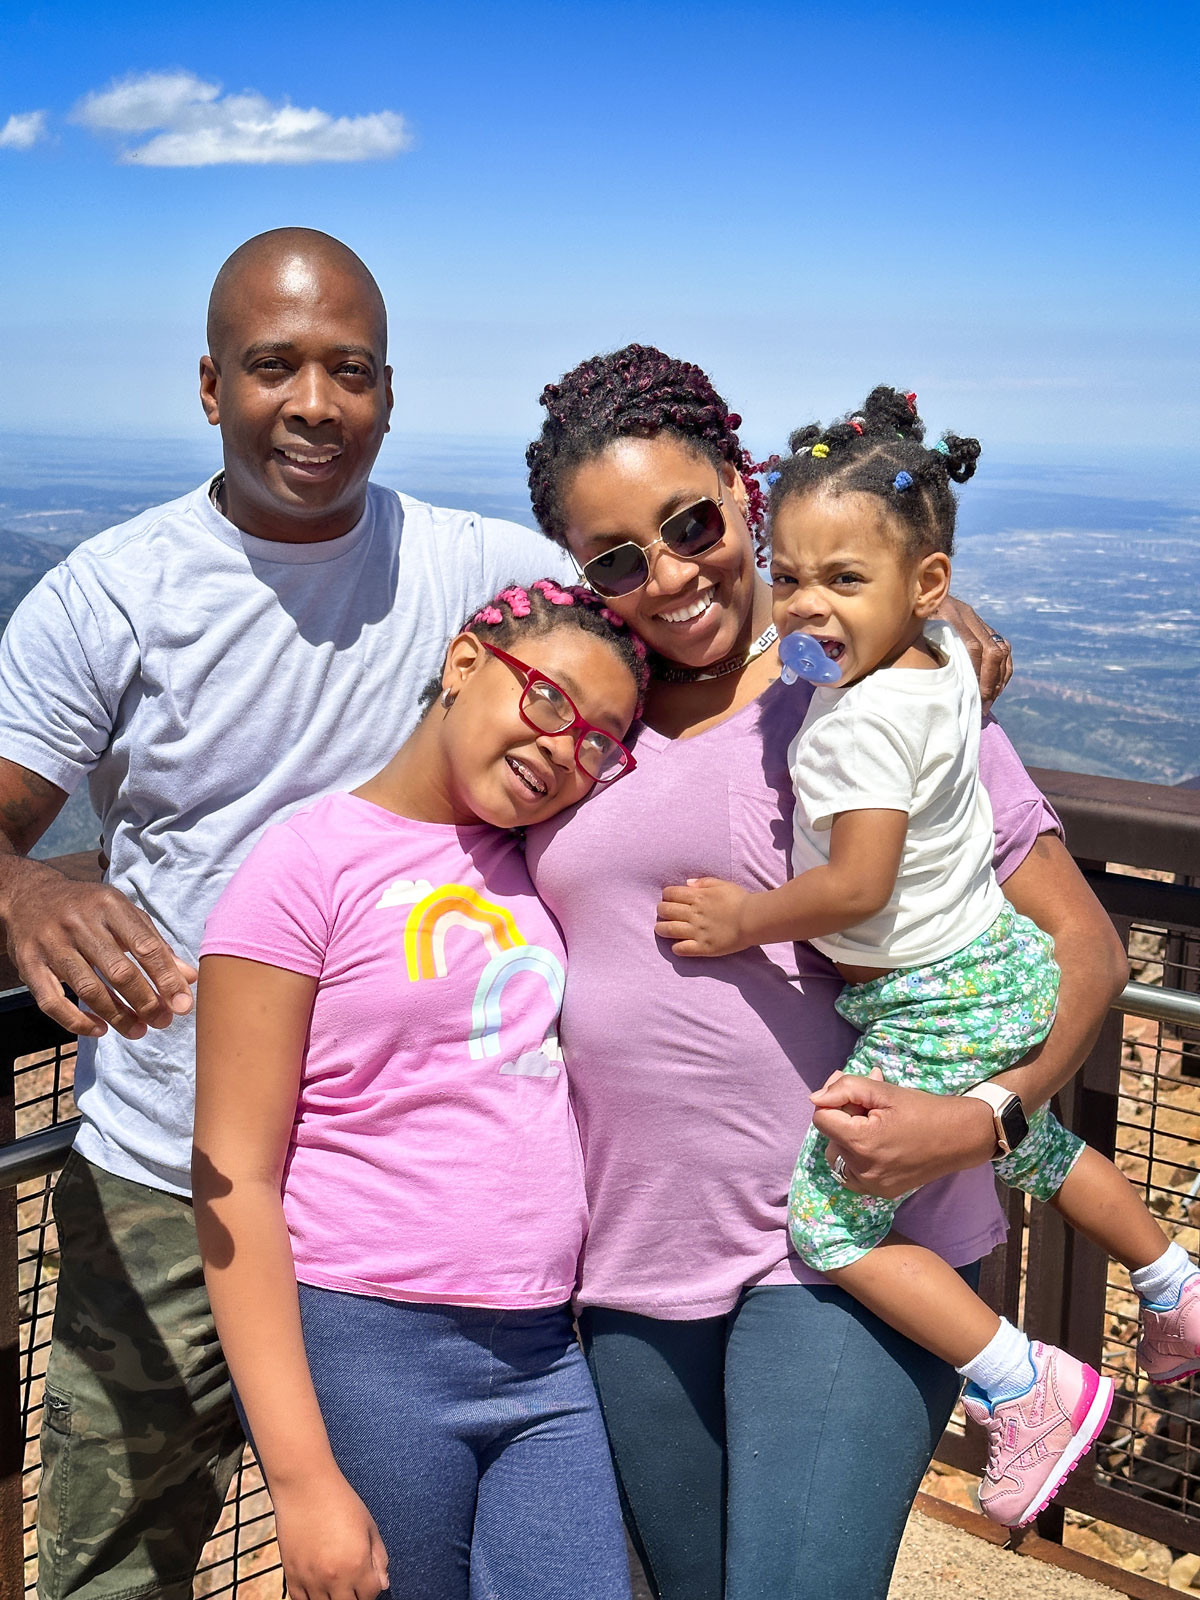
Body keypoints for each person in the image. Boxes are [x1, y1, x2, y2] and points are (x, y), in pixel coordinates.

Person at [0, 228, 574, 1600]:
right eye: (274, 367)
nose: (314, 403)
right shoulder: (114, 597)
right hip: (172, 1173)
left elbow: (678, 620)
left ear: (389, 393)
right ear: (212, 387)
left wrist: (899, 640)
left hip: (408, 1194)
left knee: (392, 1563)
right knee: (116, 1565)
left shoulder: (477, 570)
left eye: (349, 371)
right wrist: (24, 890)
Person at [520, 345, 1130, 1599]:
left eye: (691, 522)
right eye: (618, 559)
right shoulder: (584, 719)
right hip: (639, 1254)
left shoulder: (875, 693)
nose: (671, 574)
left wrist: (985, 1119)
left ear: (746, 494)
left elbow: (1088, 947)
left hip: (850, 1243)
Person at [657, 385, 1199, 1530]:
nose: (804, 605)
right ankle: (1175, 1282)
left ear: (925, 585)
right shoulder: (939, 656)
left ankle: (1022, 1381)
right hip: (996, 964)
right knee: (1041, 1143)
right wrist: (854, 603)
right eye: (789, 572)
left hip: (930, 993)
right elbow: (856, 618)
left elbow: (854, 885)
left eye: (841, 581)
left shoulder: (857, 728)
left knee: (831, 1225)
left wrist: (738, 921)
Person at [193, 581, 646, 1600]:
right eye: (548, 700)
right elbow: (234, 1177)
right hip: (369, 1343)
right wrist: (303, 1481)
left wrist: (916, 651)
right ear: (464, 661)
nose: (563, 748)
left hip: (542, 1346)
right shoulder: (303, 865)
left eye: (599, 742)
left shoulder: (544, 862)